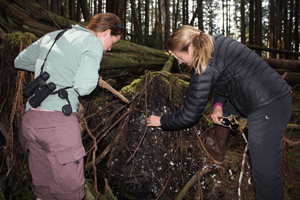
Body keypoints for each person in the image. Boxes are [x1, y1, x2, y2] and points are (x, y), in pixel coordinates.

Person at [147, 25, 292, 200]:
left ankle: (248, 134)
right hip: (266, 99)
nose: (180, 62)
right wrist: (218, 105)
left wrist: (161, 121)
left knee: (265, 176)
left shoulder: (202, 66)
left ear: (191, 48)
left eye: (179, 57)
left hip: (269, 107)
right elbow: (227, 78)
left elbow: (190, 114)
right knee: (224, 113)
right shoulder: (215, 43)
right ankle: (219, 148)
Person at [14, 13, 123, 200]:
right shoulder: (93, 42)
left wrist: (56, 68)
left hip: (32, 122)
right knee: (70, 192)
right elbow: (83, 87)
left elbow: (20, 61)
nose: (111, 49)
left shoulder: (53, 35)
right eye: (114, 41)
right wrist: (90, 78)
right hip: (58, 125)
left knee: (43, 188)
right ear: (106, 33)